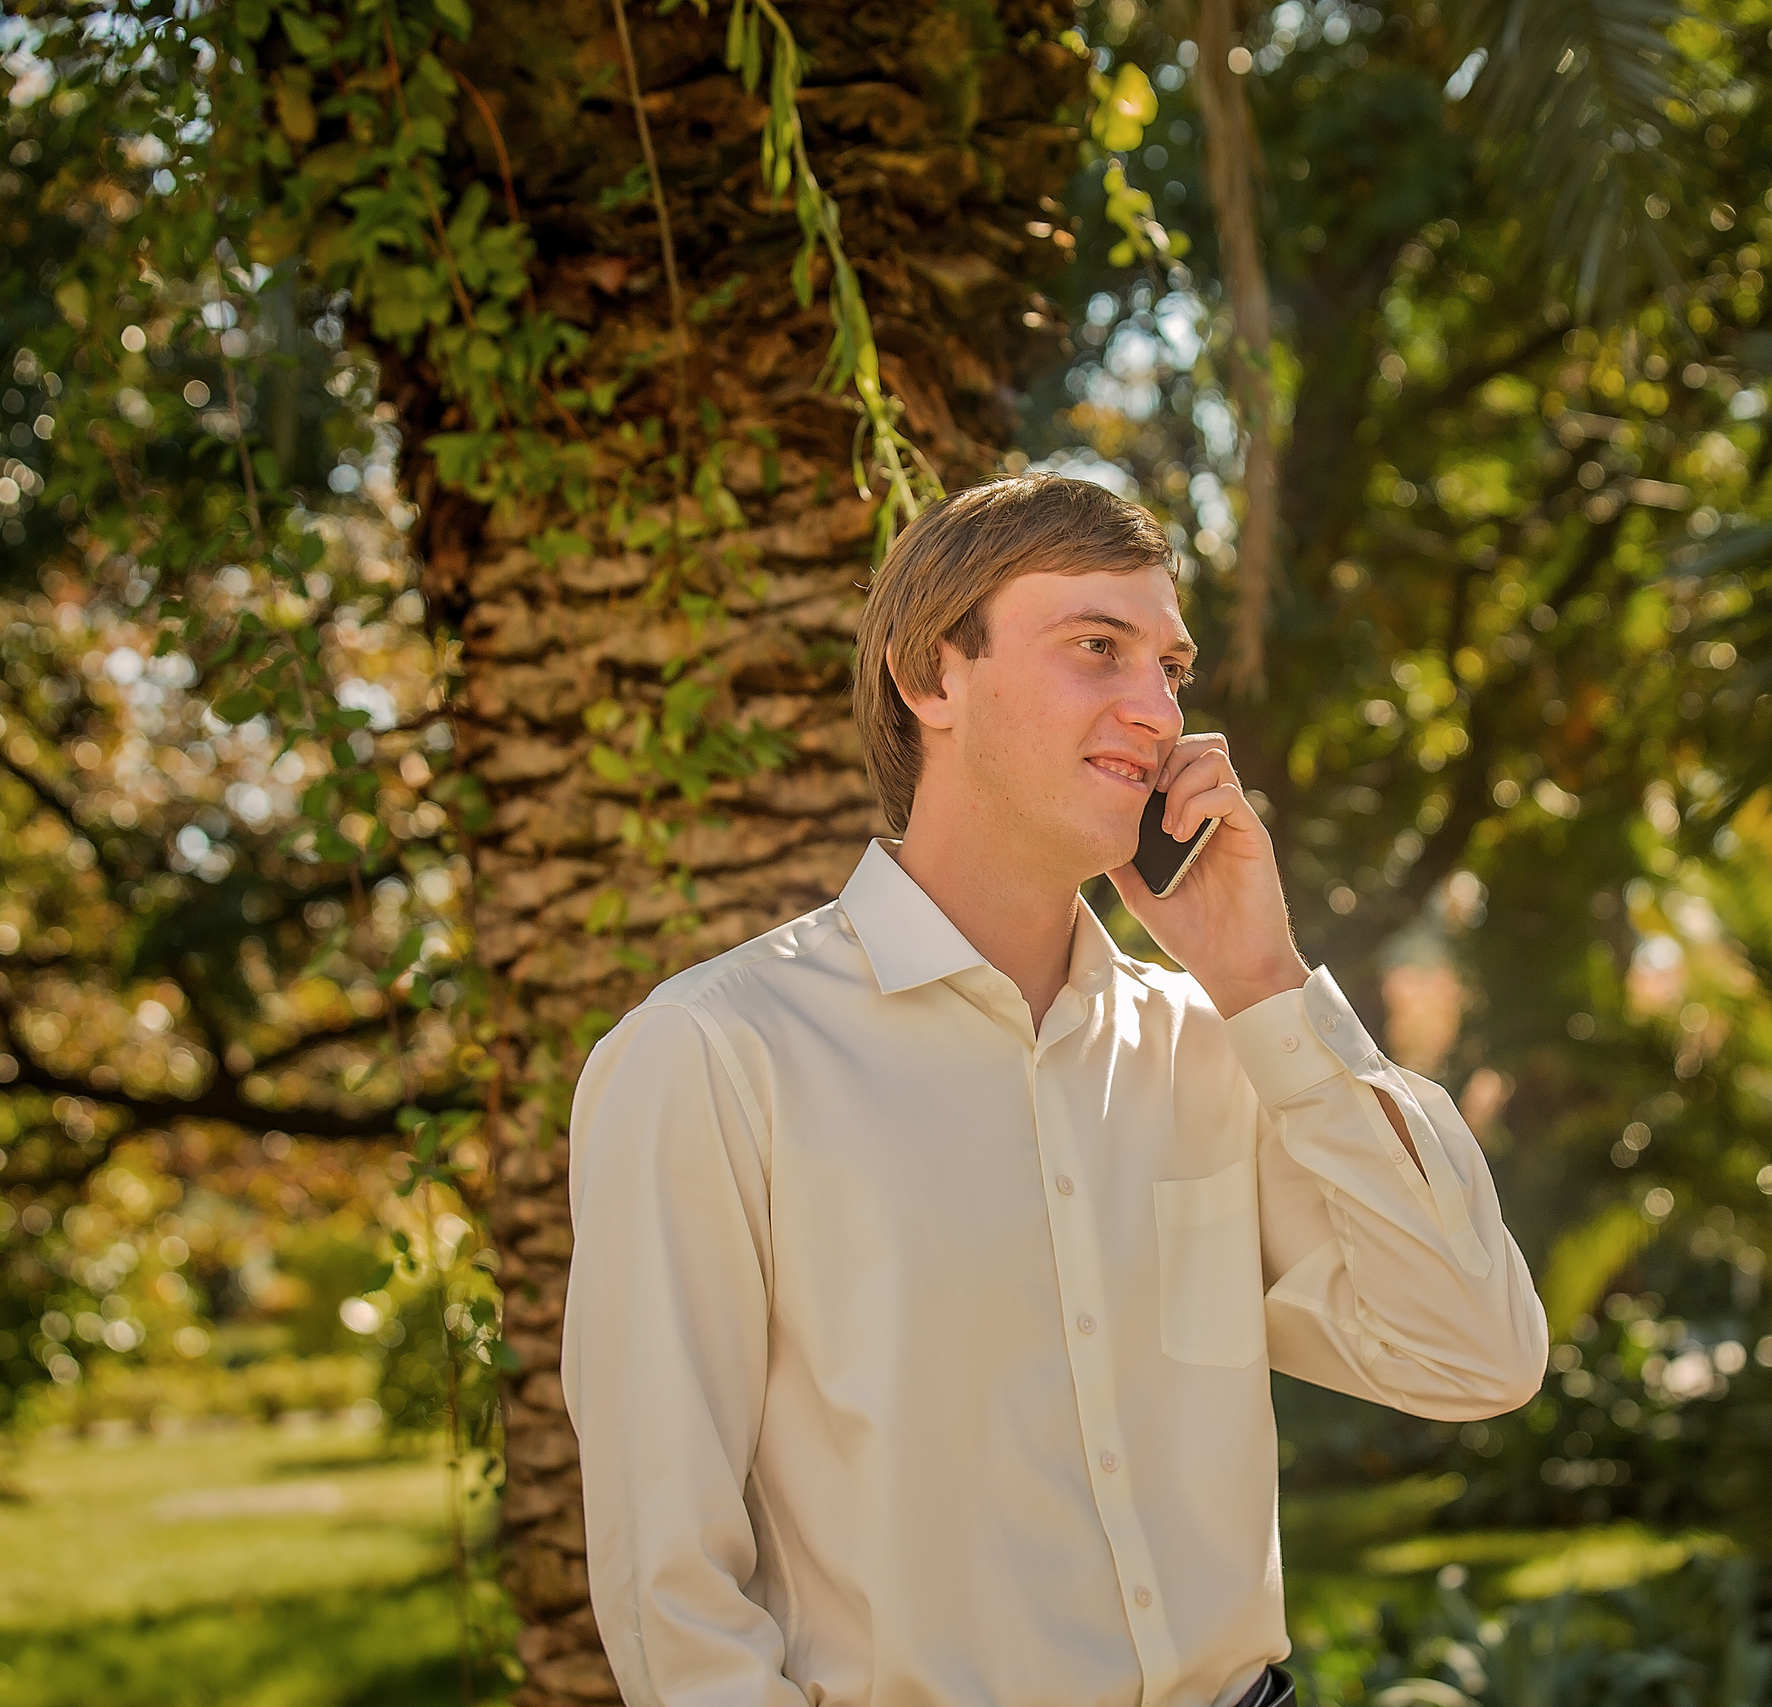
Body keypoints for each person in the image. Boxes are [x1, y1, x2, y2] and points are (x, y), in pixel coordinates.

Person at [564, 474, 1549, 1707]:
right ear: (933, 681)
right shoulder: (712, 1057)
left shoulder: (1220, 1049)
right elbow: (676, 1604)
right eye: (1097, 648)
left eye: (1172, 668)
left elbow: (1473, 1356)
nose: (1158, 711)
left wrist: (1261, 976)